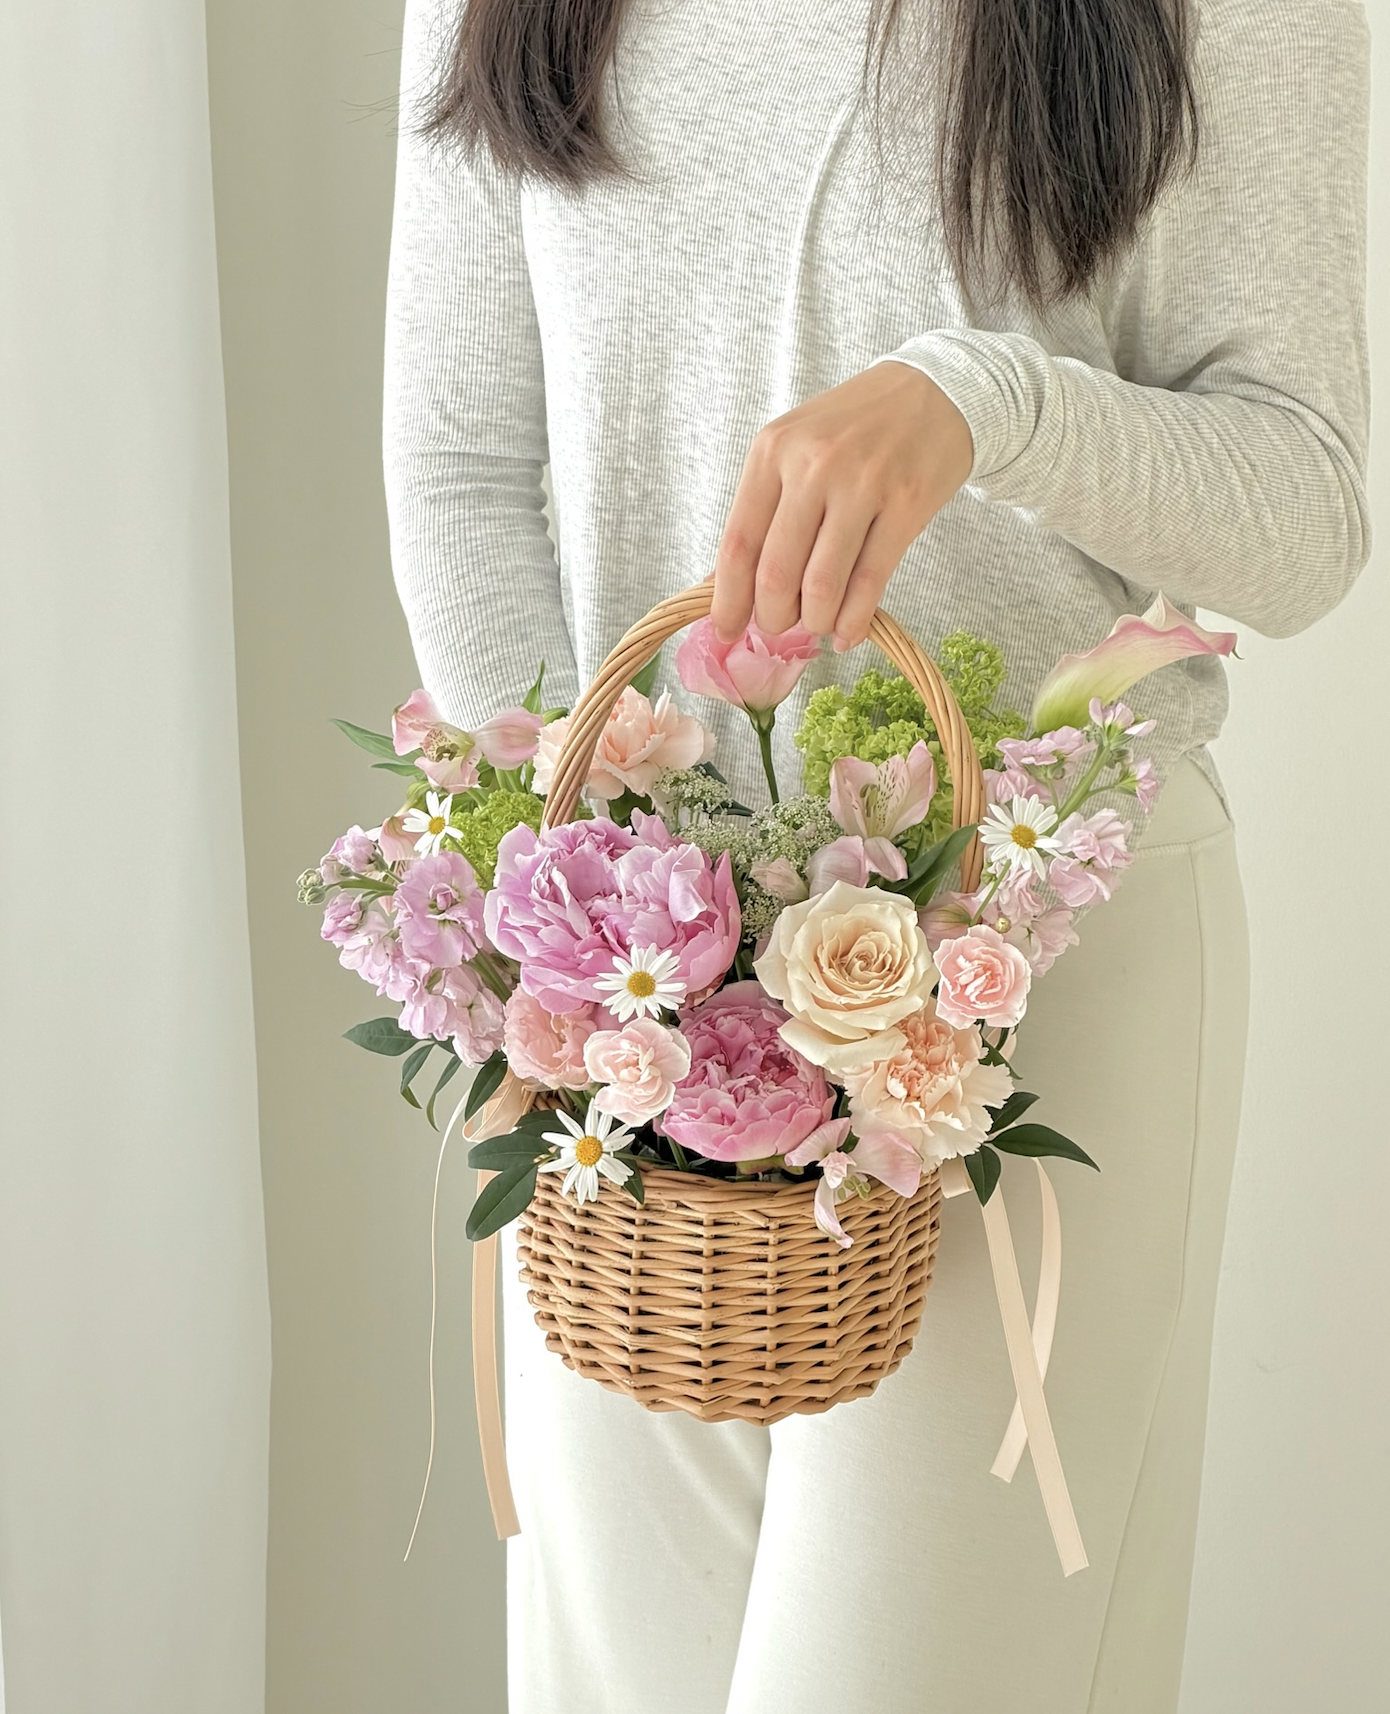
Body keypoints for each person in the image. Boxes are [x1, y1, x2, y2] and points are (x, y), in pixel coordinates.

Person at [382, 0, 1370, 1708]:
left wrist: (988, 402)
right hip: (643, 1014)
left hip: (1030, 964)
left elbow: (1303, 512)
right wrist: (594, 914)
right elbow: (462, 460)